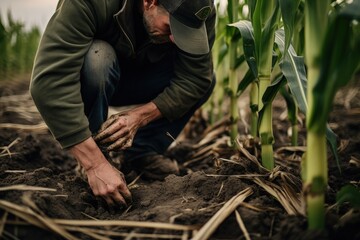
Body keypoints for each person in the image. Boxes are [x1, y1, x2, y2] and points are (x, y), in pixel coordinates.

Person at [30, 0, 216, 207]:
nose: (175, 39)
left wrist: (140, 116)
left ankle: (140, 152)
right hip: (99, 73)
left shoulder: (198, 9)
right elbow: (49, 82)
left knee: (206, 81)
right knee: (98, 58)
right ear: (150, 2)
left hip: (148, 79)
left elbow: (196, 78)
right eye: (171, 28)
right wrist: (95, 165)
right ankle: (97, 154)